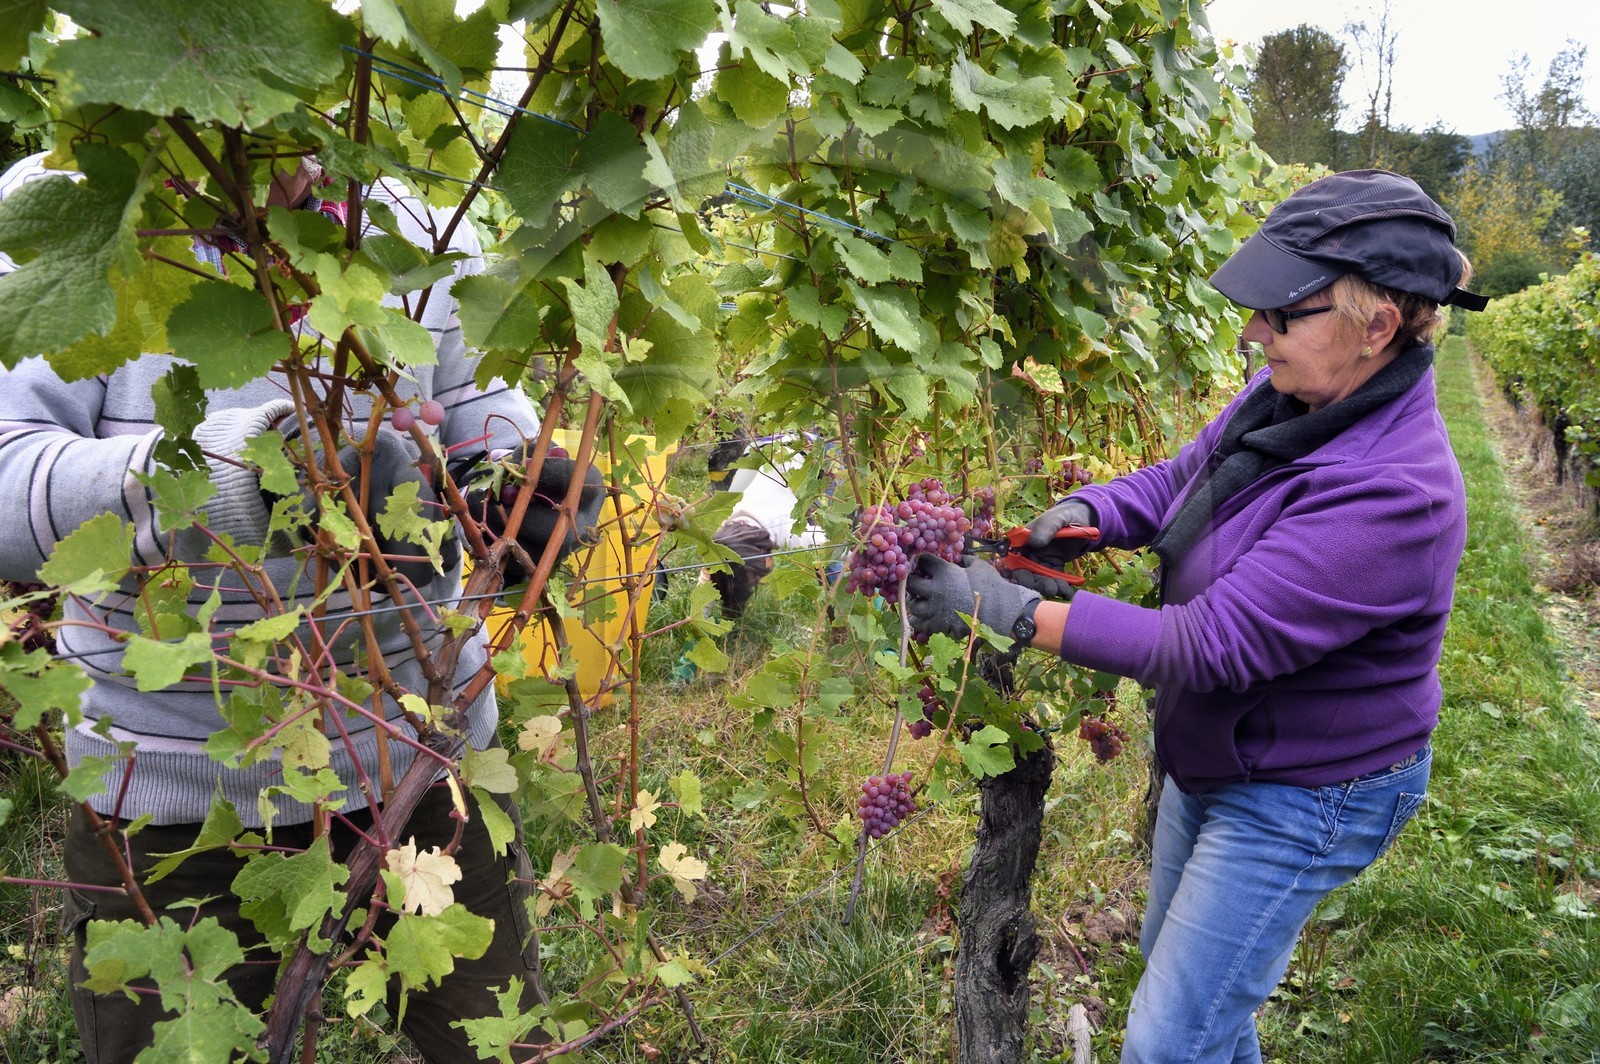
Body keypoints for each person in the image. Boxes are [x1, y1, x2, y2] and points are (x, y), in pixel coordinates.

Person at [0, 152, 599, 1060]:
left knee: (503, 1044)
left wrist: (516, 486)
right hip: (171, 797)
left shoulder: (416, 218)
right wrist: (246, 477)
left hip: (426, 757)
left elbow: (478, 408)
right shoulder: (63, 207)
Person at [904, 169, 1488, 1063]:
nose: (1252, 332)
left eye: (1280, 313)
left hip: (1308, 791)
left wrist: (1011, 611)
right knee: (1194, 1004)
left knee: (1171, 1040)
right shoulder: (1291, 401)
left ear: (1378, 327)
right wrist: (1090, 512)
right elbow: (1185, 482)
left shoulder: (1397, 491)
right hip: (1221, 751)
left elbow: (1210, 643)